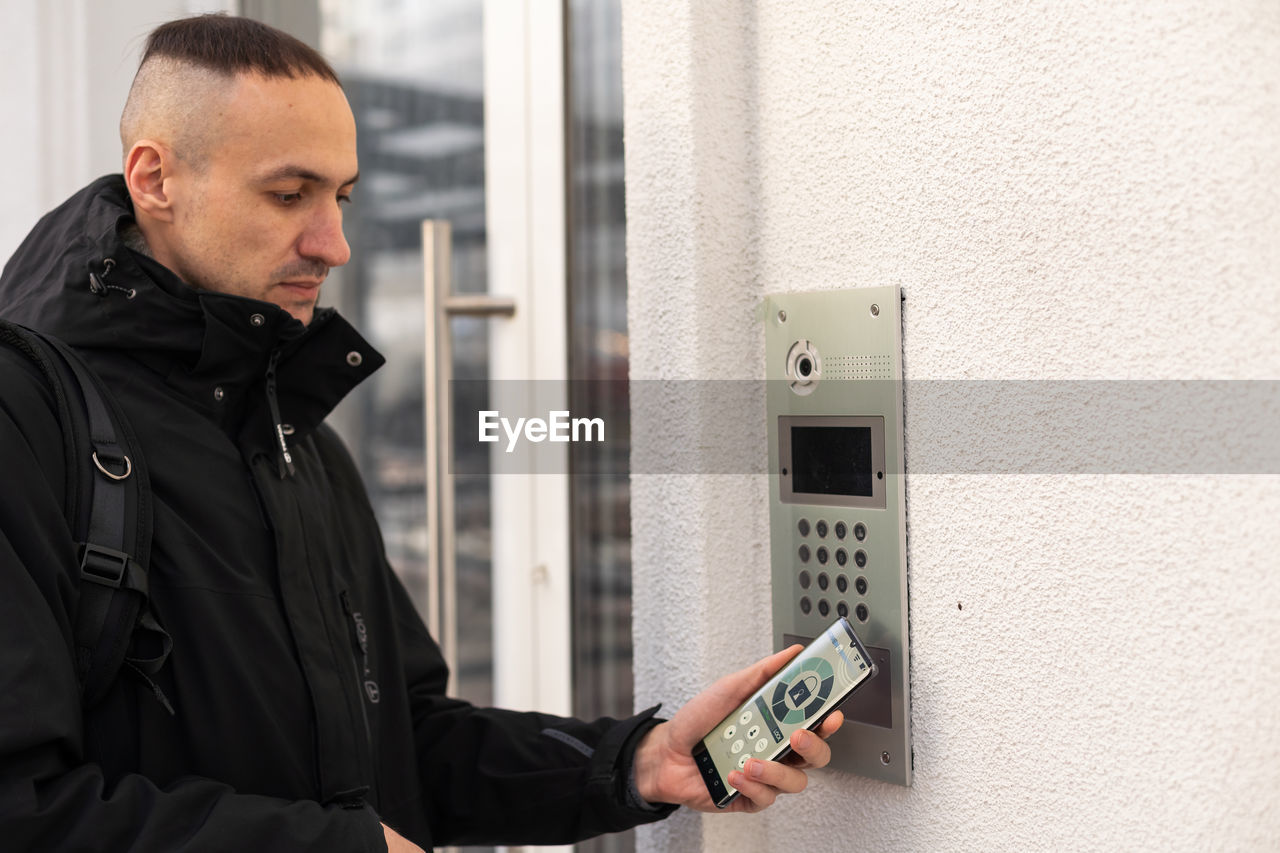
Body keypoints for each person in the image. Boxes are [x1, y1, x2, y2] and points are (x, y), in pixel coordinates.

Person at [0, 14, 843, 852]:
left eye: (342, 197)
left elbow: (411, 748)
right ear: (155, 179)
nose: (335, 243)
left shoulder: (296, 441)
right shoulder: (27, 418)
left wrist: (633, 764)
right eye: (289, 194)